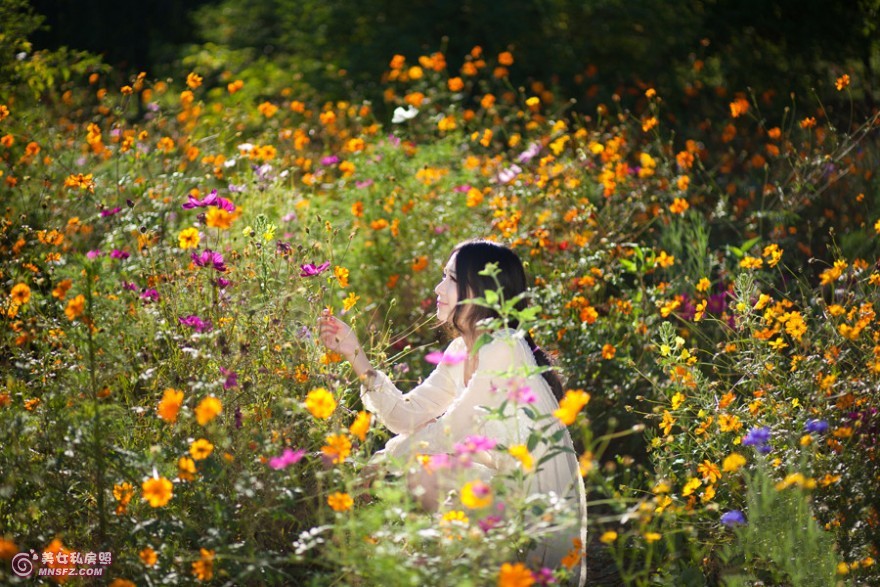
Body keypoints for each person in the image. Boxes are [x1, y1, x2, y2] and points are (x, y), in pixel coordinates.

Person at [317, 239, 587, 585]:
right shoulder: (461, 349)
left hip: (530, 510)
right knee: (422, 469)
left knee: (426, 470)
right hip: (495, 493)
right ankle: (458, 567)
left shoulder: (503, 345)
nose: (438, 287)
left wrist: (388, 457)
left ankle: (473, 566)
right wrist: (356, 354)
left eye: (451, 278)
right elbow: (407, 415)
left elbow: (455, 428)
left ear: (482, 290)